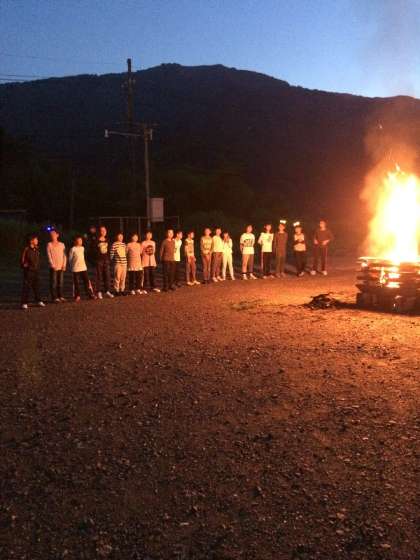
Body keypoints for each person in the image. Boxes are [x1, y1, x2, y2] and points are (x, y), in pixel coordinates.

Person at [21, 234, 45, 310]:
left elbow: (38, 259)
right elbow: (22, 260)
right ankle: (24, 303)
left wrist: (38, 266)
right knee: (27, 287)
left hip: (36, 270)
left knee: (37, 286)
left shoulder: (37, 249)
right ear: (31, 241)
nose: (37, 240)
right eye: (36, 239)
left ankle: (39, 300)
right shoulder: (26, 249)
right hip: (29, 271)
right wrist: (25, 265)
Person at [68, 236, 95, 301]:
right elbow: (70, 259)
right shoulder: (73, 249)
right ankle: (77, 296)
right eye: (78, 240)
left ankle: (90, 294)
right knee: (76, 283)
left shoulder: (82, 248)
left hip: (83, 267)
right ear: (75, 241)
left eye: (81, 240)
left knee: (87, 282)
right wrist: (71, 266)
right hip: (75, 268)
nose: (80, 242)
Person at [46, 229, 67, 302]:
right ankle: (54, 297)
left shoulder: (62, 244)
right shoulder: (49, 244)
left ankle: (60, 296)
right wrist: (52, 265)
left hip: (61, 266)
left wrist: (64, 265)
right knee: (53, 282)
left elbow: (64, 255)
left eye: (54, 234)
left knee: (60, 282)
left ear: (57, 235)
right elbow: (49, 255)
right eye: (51, 235)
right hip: (53, 266)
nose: (52, 235)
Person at [95, 226, 114, 299]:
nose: (103, 232)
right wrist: (95, 259)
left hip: (106, 260)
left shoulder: (107, 240)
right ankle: (99, 292)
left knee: (107, 276)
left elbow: (109, 250)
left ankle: (107, 291)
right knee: (99, 277)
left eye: (104, 231)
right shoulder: (96, 240)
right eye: (102, 231)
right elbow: (92, 250)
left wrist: (109, 259)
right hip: (99, 260)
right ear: (99, 232)